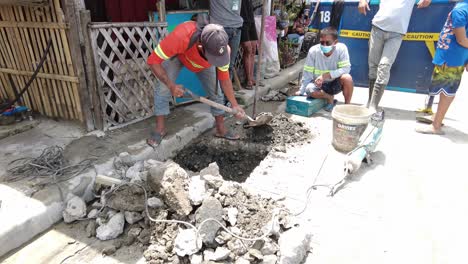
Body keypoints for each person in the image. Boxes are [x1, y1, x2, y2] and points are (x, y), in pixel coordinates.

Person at [146, 22, 245, 147]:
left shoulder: (223, 52)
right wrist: (171, 85)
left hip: (203, 64)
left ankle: (220, 129)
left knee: (216, 92)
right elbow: (152, 61)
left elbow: (224, 79)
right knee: (163, 88)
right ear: (200, 45)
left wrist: (235, 105)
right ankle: (160, 129)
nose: (217, 61)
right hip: (179, 56)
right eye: (213, 58)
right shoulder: (181, 37)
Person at [358, 0, 432, 113]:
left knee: (384, 67)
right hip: (377, 28)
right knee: (373, 67)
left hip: (397, 34)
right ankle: (370, 101)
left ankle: (374, 105)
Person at [416, 0, 468, 135]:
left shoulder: (460, 11)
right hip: (454, 56)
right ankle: (437, 118)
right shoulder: (463, 8)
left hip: (450, 57)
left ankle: (436, 125)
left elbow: (462, 39)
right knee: (445, 90)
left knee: (446, 92)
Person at [296, 27, 354, 112]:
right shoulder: (313, 51)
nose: (324, 45)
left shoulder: (341, 49)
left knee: (347, 78)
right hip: (319, 85)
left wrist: (326, 75)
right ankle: (329, 98)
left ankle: (347, 106)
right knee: (309, 90)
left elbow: (346, 69)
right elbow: (307, 72)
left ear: (335, 42)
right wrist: (302, 90)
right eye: (322, 42)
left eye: (328, 42)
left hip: (335, 83)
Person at [209, 0, 243, 79]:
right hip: (219, 28)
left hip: (236, 29)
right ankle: (218, 90)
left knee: (230, 65)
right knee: (217, 65)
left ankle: (225, 90)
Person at [240, 0, 258, 90]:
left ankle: (251, 77)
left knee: (254, 49)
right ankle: (248, 80)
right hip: (242, 21)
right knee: (248, 49)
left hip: (251, 20)